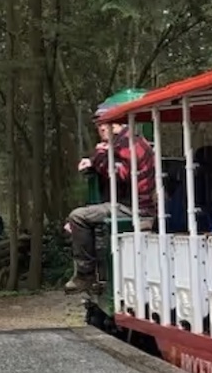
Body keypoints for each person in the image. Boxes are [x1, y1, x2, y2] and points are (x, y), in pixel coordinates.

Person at [65, 117, 155, 293]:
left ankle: (85, 275)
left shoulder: (129, 143)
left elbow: (118, 173)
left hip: (137, 208)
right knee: (79, 219)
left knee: (77, 217)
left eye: (104, 125)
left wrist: (99, 155)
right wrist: (95, 160)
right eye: (98, 126)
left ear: (117, 124)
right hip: (127, 204)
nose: (101, 129)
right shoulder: (124, 142)